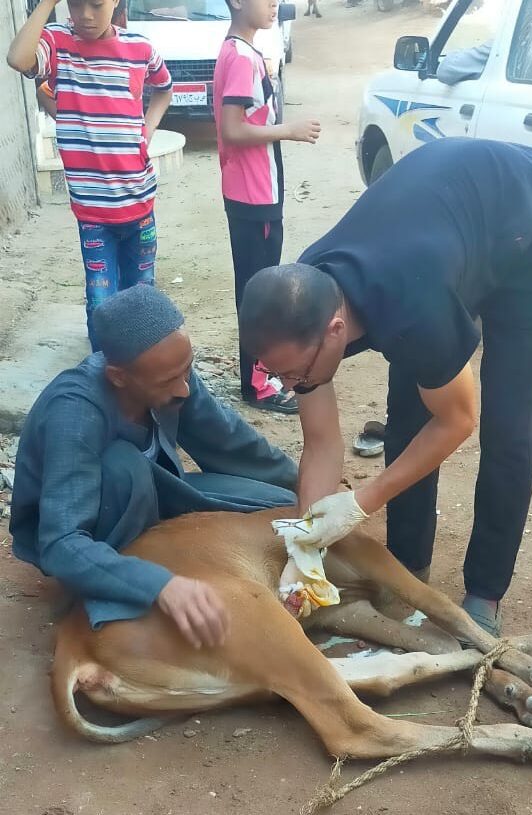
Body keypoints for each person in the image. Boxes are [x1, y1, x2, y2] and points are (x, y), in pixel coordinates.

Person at [238, 137, 532, 636]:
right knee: (406, 417)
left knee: (507, 424)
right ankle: (406, 563)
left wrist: (359, 503)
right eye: (278, 374)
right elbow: (323, 440)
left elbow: (458, 419)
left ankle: (485, 590)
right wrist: (307, 544)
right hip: (441, 234)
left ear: (335, 330)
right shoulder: (302, 300)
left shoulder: (413, 311)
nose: (291, 385)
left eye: (295, 376)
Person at [10, 286, 297, 648]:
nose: (184, 389)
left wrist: (303, 483)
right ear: (118, 376)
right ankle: (114, 579)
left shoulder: (170, 373)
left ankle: (157, 554)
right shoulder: (75, 411)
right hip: (101, 525)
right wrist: (160, 584)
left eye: (186, 371)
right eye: (169, 381)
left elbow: (227, 437)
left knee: (281, 504)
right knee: (123, 465)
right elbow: (61, 542)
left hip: (156, 493)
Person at [7, 0, 173, 352]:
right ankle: (104, 371)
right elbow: (19, 60)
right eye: (75, 3)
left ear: (115, 2)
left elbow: (164, 87)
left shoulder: (139, 47)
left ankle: (141, 364)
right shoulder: (58, 43)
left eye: (96, 5)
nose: (84, 14)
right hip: (93, 215)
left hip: (140, 205)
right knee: (101, 301)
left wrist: (147, 129)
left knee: (142, 293)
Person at [213, 0, 321, 414]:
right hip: (253, 194)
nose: (274, 3)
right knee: (258, 291)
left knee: (256, 285)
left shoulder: (240, 50)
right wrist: (289, 130)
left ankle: (257, 376)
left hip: (252, 191)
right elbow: (232, 128)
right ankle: (257, 385)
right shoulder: (240, 55)